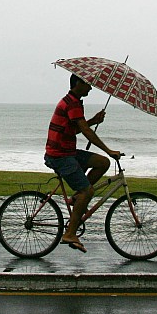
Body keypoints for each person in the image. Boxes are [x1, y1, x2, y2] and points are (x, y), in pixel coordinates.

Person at [44, 73, 121, 254]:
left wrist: (93, 121)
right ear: (78, 83)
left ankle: (77, 197)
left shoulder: (75, 102)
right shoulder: (71, 103)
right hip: (60, 156)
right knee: (88, 191)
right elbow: (85, 131)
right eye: (88, 84)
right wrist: (108, 149)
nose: (91, 88)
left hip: (68, 152)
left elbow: (75, 129)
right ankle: (70, 234)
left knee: (103, 163)